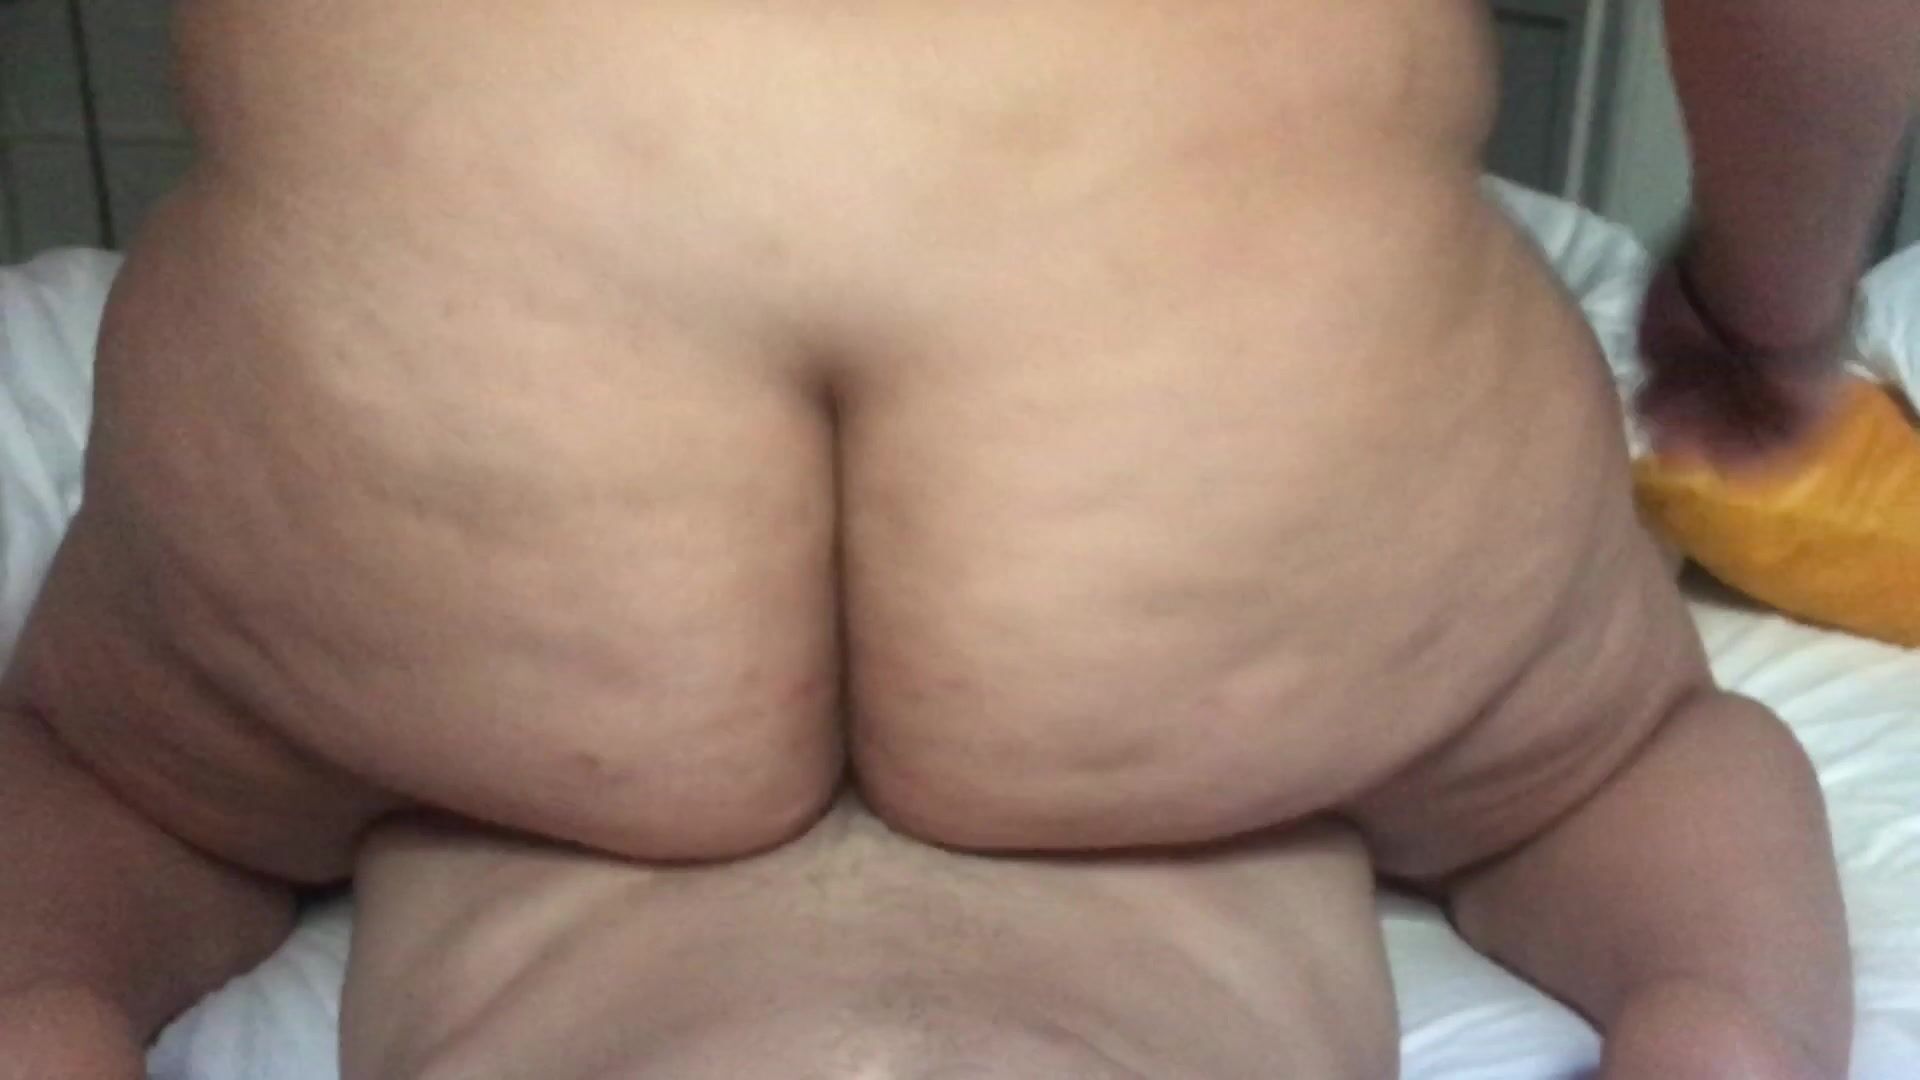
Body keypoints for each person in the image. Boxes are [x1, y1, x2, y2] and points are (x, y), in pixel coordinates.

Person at [0, 0, 1906, 1075]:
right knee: (1629, 769)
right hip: (1218, 419)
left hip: (457, 407)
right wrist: (1771, 307)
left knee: (106, 790)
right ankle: (1713, 1041)